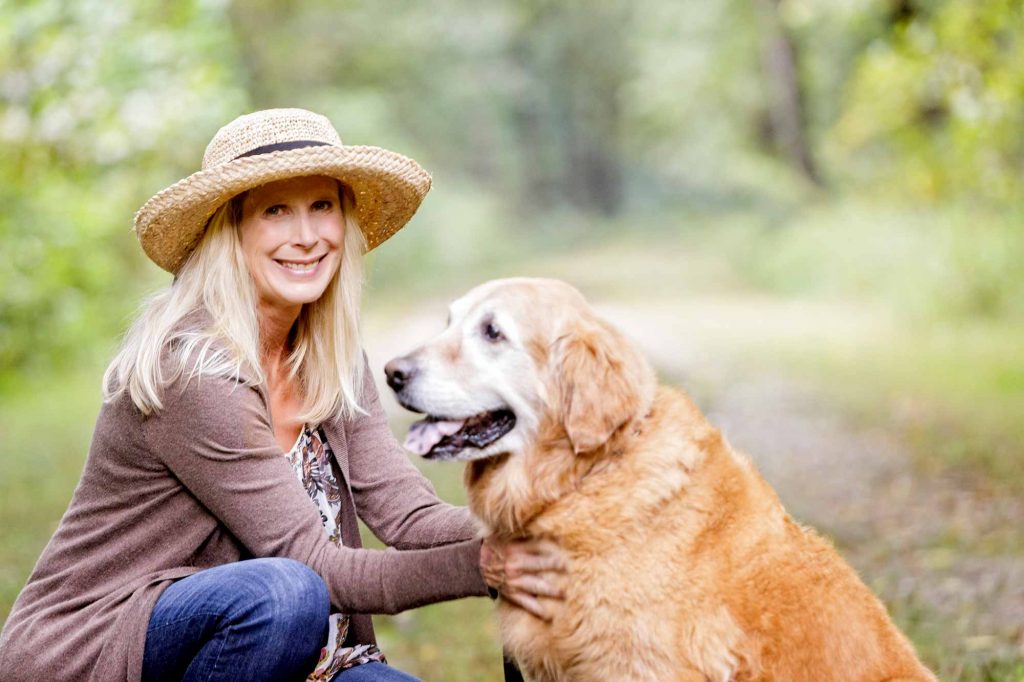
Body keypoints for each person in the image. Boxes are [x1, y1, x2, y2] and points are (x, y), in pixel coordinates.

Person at [0, 108, 563, 682]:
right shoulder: (195, 374)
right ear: (231, 230)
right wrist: (490, 564)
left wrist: (536, 528)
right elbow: (316, 569)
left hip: (311, 662)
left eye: (322, 206)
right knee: (283, 591)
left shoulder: (331, 358)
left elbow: (408, 515)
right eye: (276, 211)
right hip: (107, 647)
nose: (306, 236)